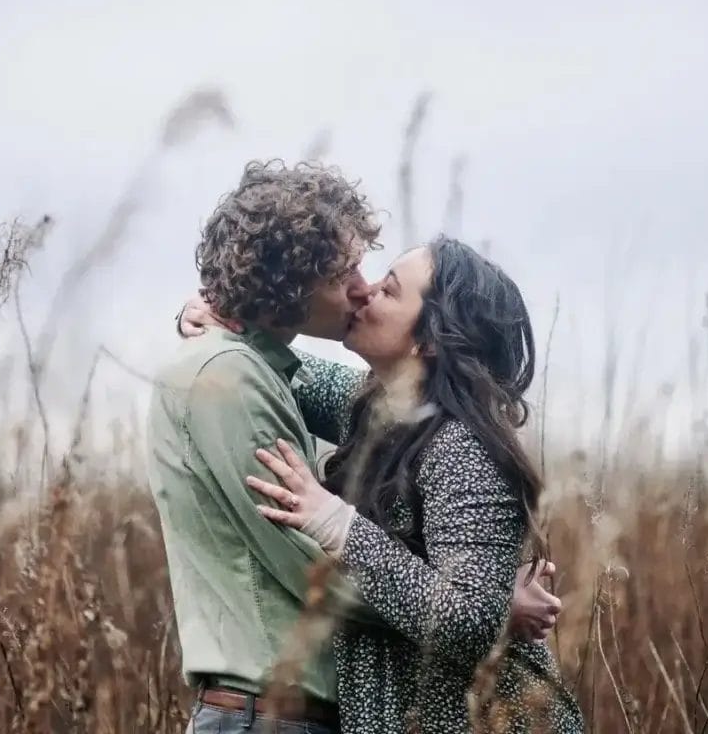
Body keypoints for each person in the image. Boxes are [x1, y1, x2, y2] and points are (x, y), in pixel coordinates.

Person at [150, 160, 563, 734]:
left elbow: (468, 619)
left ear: (429, 342)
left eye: (388, 289)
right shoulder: (376, 409)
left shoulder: (465, 446)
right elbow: (279, 367)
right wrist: (214, 316)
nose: (365, 289)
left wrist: (340, 525)